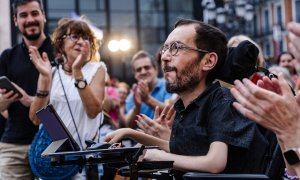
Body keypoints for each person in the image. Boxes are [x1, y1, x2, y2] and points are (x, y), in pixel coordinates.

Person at [105, 19, 268, 179]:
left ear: (208, 61)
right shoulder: (184, 106)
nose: (165, 57)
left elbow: (215, 163)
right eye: (165, 48)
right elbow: (178, 148)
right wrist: (130, 134)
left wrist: (160, 157)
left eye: (176, 48)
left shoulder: (222, 100)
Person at [29, 17, 106, 178]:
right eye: (75, 36)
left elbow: (93, 111)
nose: (80, 41)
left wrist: (77, 71)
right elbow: (35, 119)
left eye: (86, 38)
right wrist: (44, 78)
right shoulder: (52, 72)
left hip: (82, 159)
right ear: (61, 43)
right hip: (54, 158)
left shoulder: (97, 68)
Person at [0, 0, 54, 179]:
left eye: (34, 13)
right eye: (23, 15)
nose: (30, 19)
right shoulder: (7, 56)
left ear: (43, 16)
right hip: (14, 144)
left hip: (54, 140)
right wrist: (3, 102)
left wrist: (31, 100)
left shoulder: (61, 53)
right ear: (15, 21)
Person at [124, 50, 173, 128]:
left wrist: (147, 99)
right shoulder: (132, 96)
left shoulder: (169, 85)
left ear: (156, 69)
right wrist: (137, 107)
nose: (143, 72)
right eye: (138, 69)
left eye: (147, 67)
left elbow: (171, 114)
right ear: (135, 74)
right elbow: (129, 125)